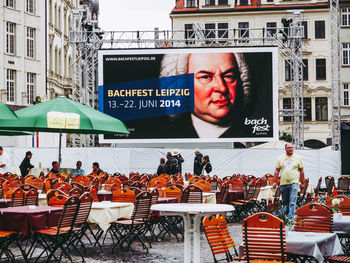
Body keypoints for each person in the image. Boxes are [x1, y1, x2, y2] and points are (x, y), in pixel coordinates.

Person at [160, 52, 252, 138]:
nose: (222, 88)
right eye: (206, 77)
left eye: (228, 76)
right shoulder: (166, 135)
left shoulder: (252, 135)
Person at [272, 143, 305, 220]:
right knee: (285, 202)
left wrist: (303, 182)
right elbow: (277, 170)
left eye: (292, 148)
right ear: (285, 149)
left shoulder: (298, 158)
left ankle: (291, 218)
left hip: (294, 182)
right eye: (289, 148)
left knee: (292, 202)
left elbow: (302, 171)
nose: (291, 149)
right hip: (283, 183)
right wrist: (274, 181)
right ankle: (286, 218)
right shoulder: (280, 158)